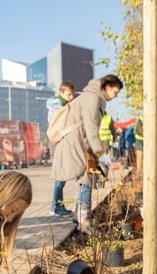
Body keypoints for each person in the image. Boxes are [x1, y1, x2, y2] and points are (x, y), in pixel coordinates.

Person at [51, 75, 123, 233]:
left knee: (86, 179)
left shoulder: (92, 97)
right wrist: (102, 154)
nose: (115, 96)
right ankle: (84, 224)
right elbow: (91, 131)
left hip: (78, 144)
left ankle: (79, 217)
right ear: (108, 87)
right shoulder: (92, 99)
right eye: (115, 92)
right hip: (76, 144)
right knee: (87, 180)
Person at [46, 81, 75, 217]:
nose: (71, 97)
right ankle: (56, 206)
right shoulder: (59, 106)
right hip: (59, 141)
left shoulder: (60, 105)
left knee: (61, 176)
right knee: (60, 176)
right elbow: (59, 125)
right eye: (69, 94)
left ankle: (58, 205)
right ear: (61, 92)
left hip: (58, 141)